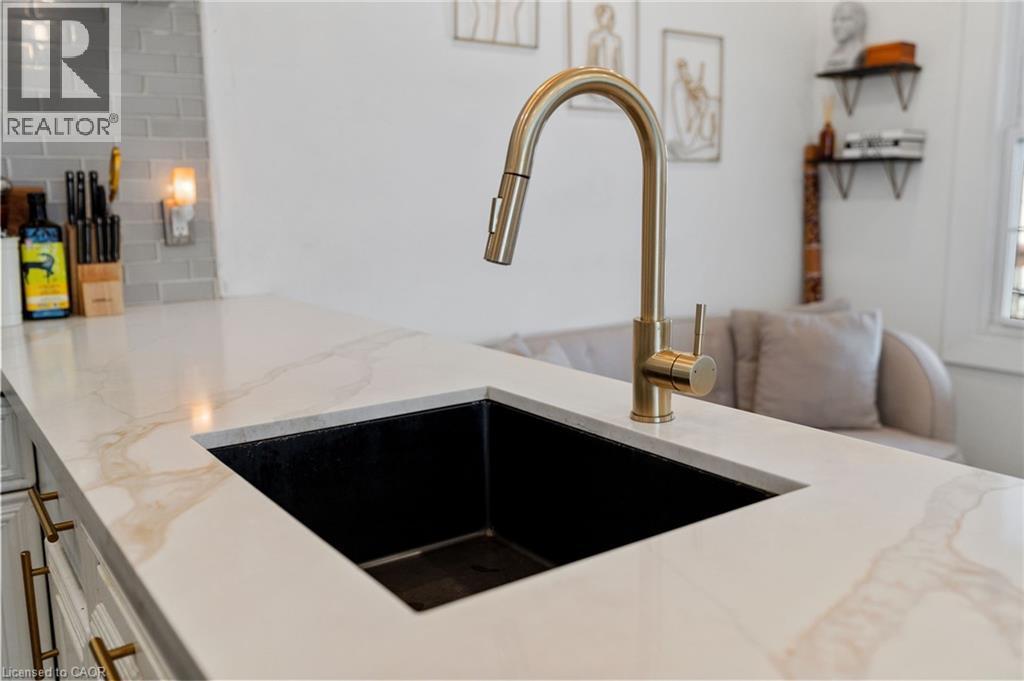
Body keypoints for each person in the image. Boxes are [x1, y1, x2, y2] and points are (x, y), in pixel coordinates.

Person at [824, 1, 867, 71]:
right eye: (834, 20)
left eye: (844, 19)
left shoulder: (862, 53)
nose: (836, 25)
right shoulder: (834, 54)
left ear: (859, 22)